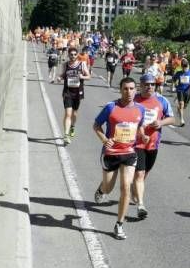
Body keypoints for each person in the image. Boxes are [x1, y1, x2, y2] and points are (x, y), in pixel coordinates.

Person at [93, 77, 148, 240]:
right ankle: (102, 189)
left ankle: (119, 224)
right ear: (120, 90)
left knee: (125, 187)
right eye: (125, 89)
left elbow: (140, 126)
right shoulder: (111, 107)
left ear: (136, 90)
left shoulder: (140, 109)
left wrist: (143, 136)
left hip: (130, 153)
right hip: (111, 153)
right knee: (109, 188)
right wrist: (104, 139)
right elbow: (96, 125)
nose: (129, 92)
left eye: (132, 89)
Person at [132, 74, 176, 218]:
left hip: (153, 143)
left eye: (152, 84)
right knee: (139, 173)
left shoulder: (162, 100)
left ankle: (136, 189)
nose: (149, 86)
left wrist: (161, 123)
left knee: (145, 172)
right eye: (146, 84)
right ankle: (141, 205)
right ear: (141, 85)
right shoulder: (134, 99)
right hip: (136, 142)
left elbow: (172, 118)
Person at [58, 48, 91, 145]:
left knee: (74, 113)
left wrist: (82, 77)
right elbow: (63, 75)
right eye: (71, 54)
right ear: (68, 55)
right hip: (67, 92)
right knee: (68, 114)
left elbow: (89, 76)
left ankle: (72, 126)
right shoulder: (65, 65)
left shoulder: (82, 64)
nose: (72, 56)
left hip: (78, 92)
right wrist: (60, 77)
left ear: (77, 55)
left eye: (74, 54)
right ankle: (66, 135)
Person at [172, 59, 190, 126]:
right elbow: (174, 79)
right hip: (180, 90)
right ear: (182, 66)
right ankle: (182, 120)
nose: (185, 68)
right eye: (183, 67)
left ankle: (179, 110)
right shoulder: (179, 73)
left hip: (188, 91)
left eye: (186, 67)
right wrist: (176, 83)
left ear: (188, 66)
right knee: (181, 104)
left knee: (185, 106)